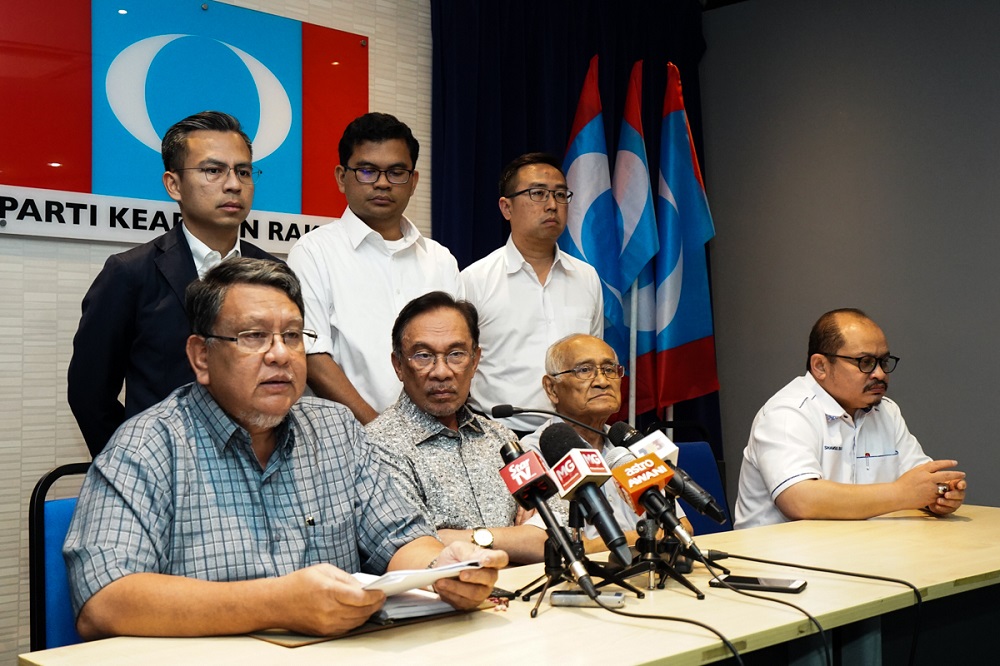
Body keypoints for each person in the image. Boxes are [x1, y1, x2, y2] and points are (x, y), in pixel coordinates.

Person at [63, 259, 505, 640]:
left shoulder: (335, 430)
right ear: (201, 357)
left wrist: (446, 568)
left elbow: (399, 539)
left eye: (293, 336)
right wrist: (276, 603)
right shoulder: (147, 445)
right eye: (254, 337)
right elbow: (103, 603)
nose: (280, 355)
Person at [67, 111, 278, 457]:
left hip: (256, 468)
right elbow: (89, 394)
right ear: (173, 184)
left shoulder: (272, 272)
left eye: (243, 171)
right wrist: (130, 465)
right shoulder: (130, 273)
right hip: (165, 477)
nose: (233, 184)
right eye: (213, 170)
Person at [288, 112, 462, 424]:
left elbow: (458, 355)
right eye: (367, 171)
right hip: (344, 440)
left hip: (434, 437)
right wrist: (380, 433)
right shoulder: (313, 252)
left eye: (396, 172)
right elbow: (312, 356)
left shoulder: (441, 260)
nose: (382, 183)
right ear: (342, 177)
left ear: (413, 182)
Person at [735, 308, 967, 529]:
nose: (880, 374)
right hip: (779, 563)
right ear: (820, 366)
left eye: (883, 362)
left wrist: (939, 495)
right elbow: (799, 500)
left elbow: (920, 479)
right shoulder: (787, 412)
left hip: (858, 552)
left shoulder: (885, 411)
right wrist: (902, 493)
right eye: (865, 362)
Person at [366, 292, 548, 564]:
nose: (441, 371)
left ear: (475, 361)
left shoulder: (501, 439)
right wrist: (519, 537)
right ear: (398, 366)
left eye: (456, 354)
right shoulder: (377, 447)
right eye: (424, 355)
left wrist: (467, 537)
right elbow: (416, 548)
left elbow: (555, 533)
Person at [462, 152, 603, 436]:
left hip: (575, 434)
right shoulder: (474, 280)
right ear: (506, 207)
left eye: (560, 194)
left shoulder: (587, 277)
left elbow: (595, 359)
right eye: (538, 193)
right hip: (500, 436)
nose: (552, 205)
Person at [520, 334, 692, 553]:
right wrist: (648, 536)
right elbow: (565, 545)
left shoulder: (630, 443)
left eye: (610, 369)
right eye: (584, 370)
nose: (602, 382)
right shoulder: (534, 453)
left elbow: (682, 527)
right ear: (552, 389)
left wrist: (653, 536)